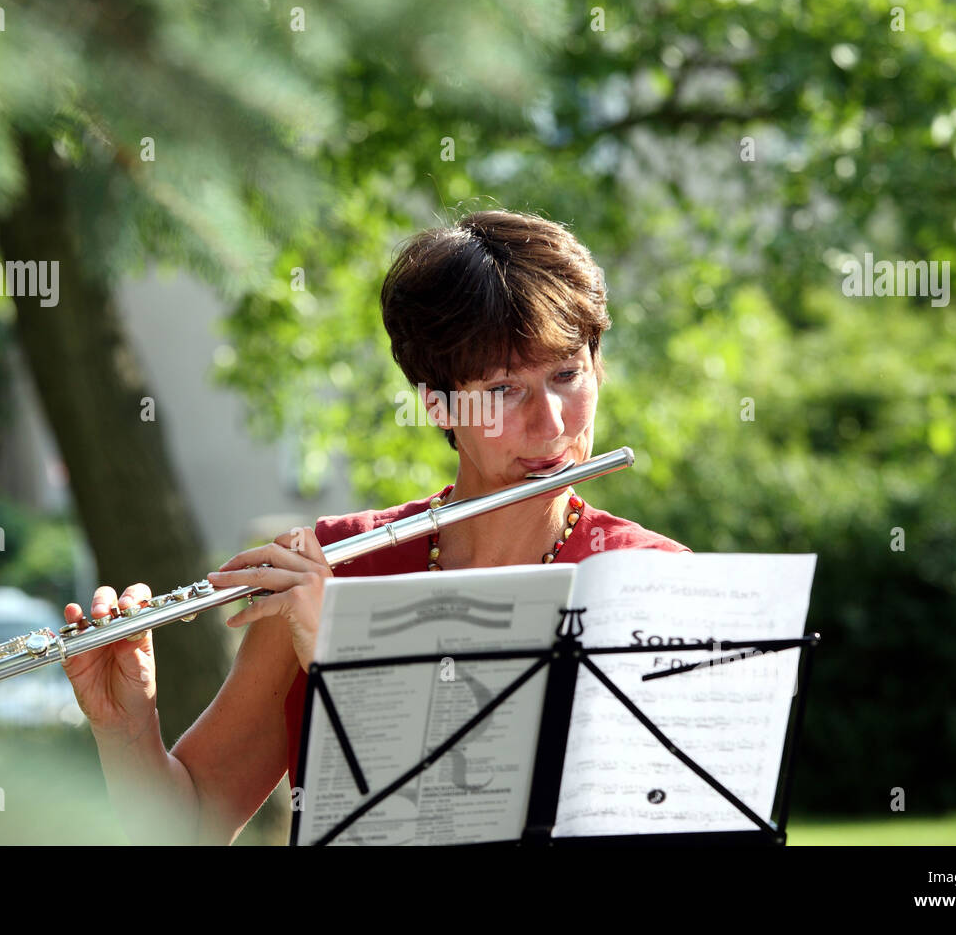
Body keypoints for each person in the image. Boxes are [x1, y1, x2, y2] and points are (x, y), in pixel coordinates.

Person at [61, 209, 689, 844]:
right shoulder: (332, 569)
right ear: (437, 402)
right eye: (504, 390)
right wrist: (127, 729)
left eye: (566, 374)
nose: (551, 423)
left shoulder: (648, 581)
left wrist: (346, 659)